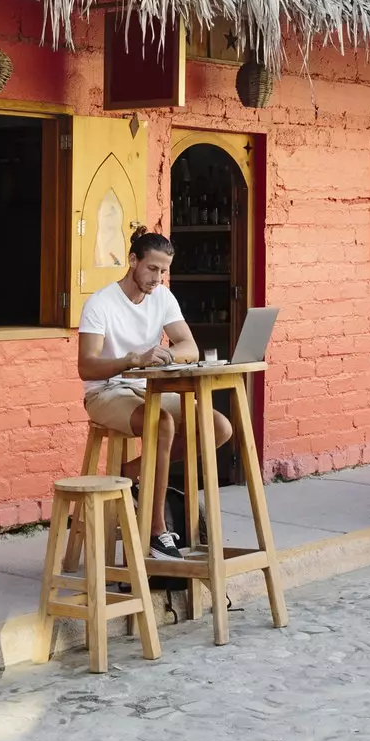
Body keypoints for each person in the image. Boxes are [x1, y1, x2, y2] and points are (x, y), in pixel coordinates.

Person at [77, 230, 232, 559]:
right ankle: (156, 530)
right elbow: (87, 368)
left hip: (149, 389)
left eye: (164, 271)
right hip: (107, 392)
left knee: (218, 426)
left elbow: (189, 346)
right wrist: (132, 360)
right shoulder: (101, 303)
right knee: (161, 423)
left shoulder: (162, 297)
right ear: (133, 261)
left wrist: (168, 355)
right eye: (152, 269)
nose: (158, 278)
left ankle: (129, 475)